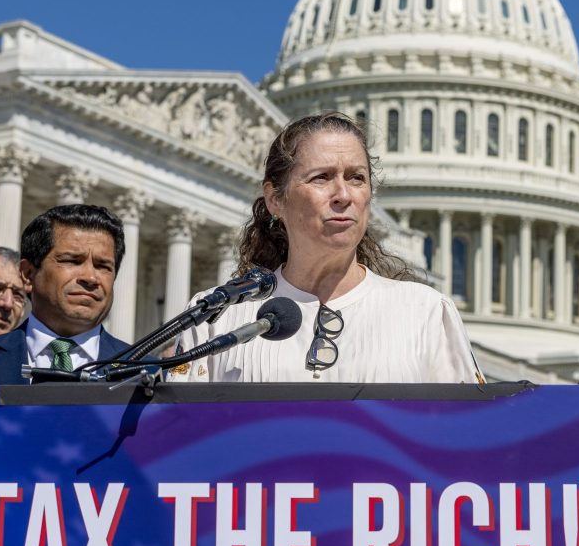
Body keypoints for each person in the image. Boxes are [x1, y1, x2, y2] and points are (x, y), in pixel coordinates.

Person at [169, 112, 480, 383]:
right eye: (322, 177)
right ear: (276, 199)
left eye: (357, 178)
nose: (343, 194)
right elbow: (181, 438)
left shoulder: (425, 313)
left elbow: (462, 438)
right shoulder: (218, 319)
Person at [0, 204, 130, 385]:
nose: (90, 277)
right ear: (27, 275)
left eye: (103, 266)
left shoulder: (144, 373)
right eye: (72, 261)